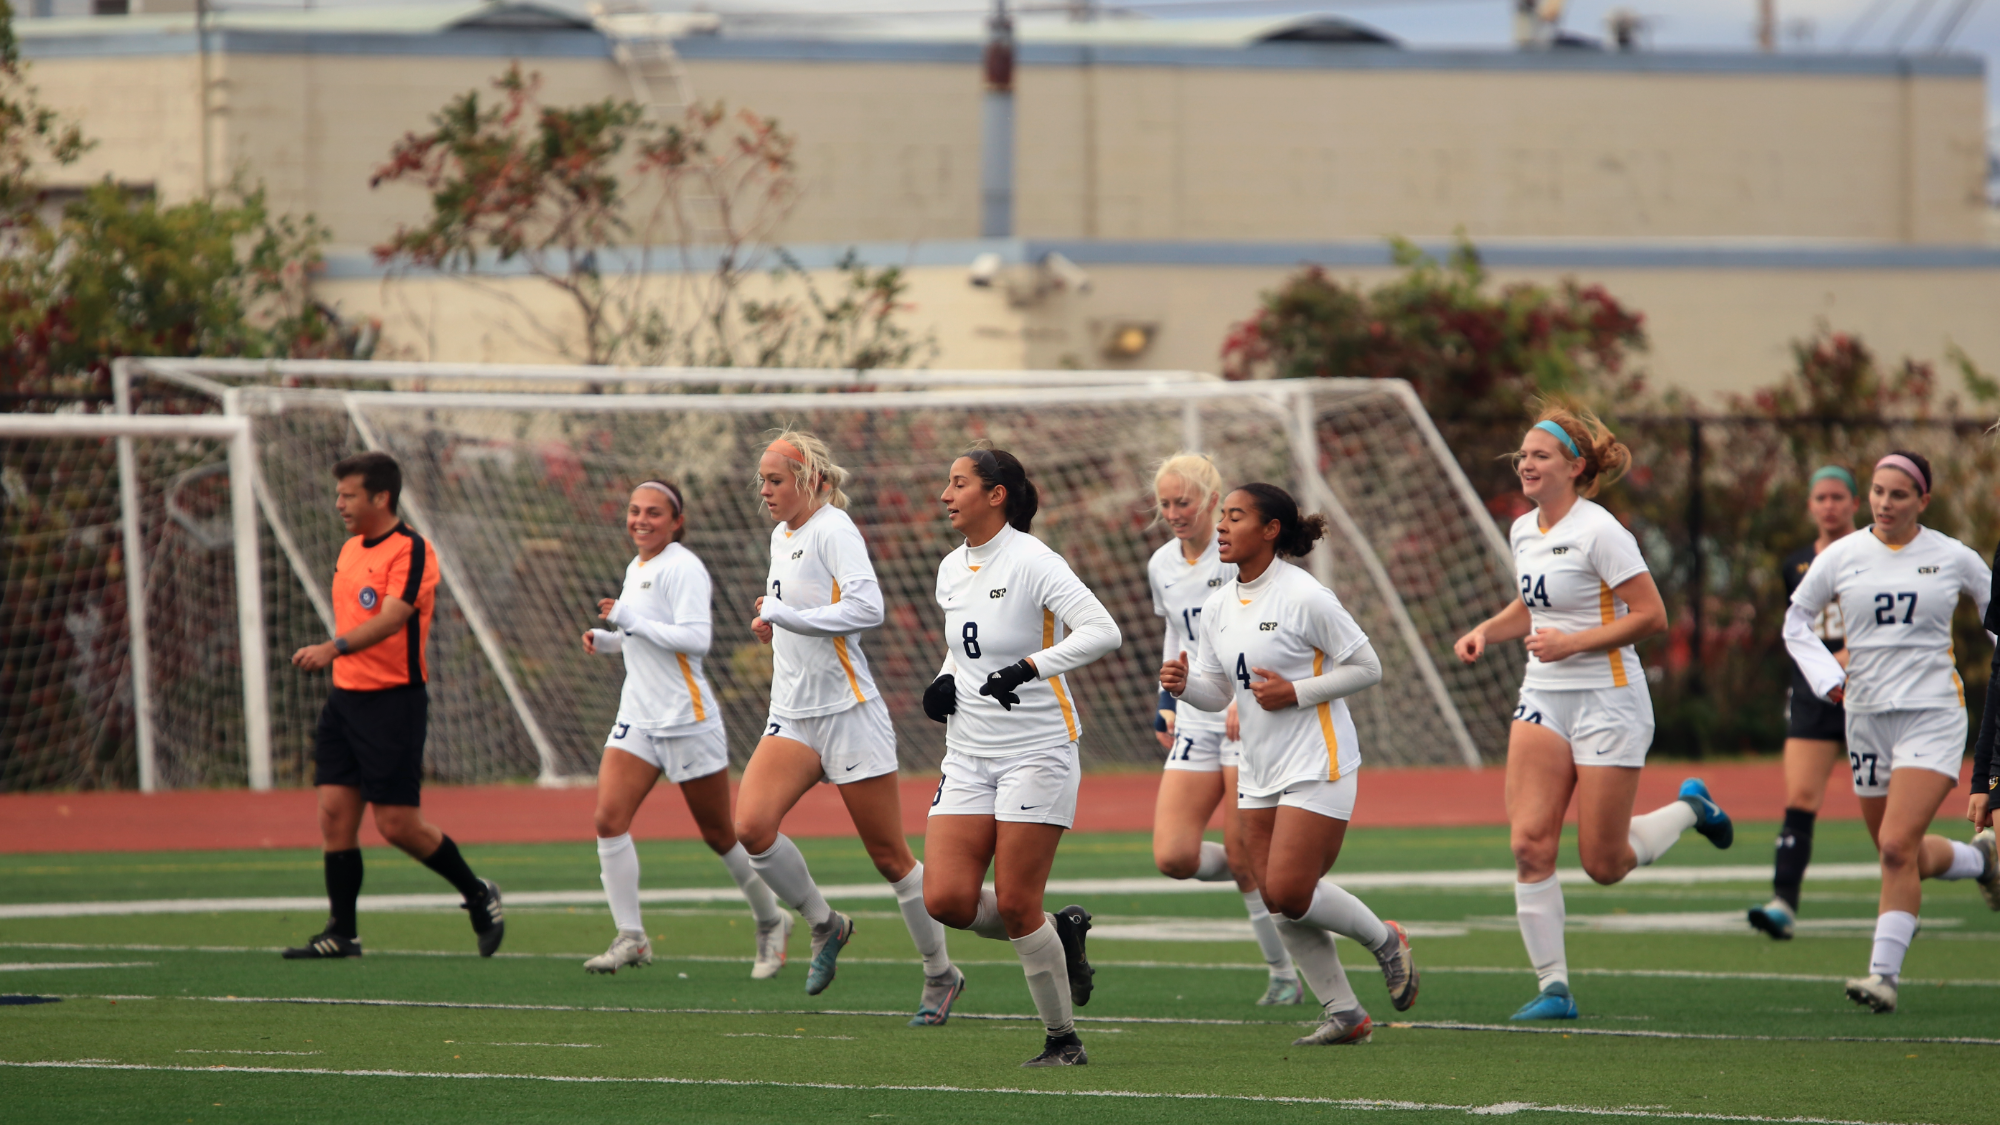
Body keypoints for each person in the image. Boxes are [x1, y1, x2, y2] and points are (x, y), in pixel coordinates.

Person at [1453, 401, 1734, 1021]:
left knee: (1604, 864)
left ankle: (1692, 807)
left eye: (1540, 455)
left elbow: (1652, 616)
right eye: (1522, 455)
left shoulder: (1601, 529)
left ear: (1575, 466)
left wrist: (1572, 642)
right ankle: (1554, 987)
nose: (1525, 464)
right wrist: (1487, 630)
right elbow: (1535, 605)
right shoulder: (1525, 529)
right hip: (1544, 697)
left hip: (1610, 699)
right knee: (1529, 845)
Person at [1160, 483, 1413, 1049]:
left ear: (1271, 530)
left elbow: (1367, 666)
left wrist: (1297, 692)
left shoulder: (1305, 595)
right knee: (1276, 898)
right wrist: (1184, 688)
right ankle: (1345, 1014)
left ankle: (1385, 940)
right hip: (1258, 767)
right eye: (1221, 516)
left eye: (1235, 517)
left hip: (1317, 760)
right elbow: (1217, 691)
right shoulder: (1220, 603)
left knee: (1292, 892)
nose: (1221, 527)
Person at [734, 431, 963, 1025]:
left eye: (775, 480)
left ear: (808, 479)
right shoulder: (781, 536)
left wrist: (789, 615)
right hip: (792, 713)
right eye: (762, 480)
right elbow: (802, 611)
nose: (765, 490)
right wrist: (774, 620)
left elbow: (867, 609)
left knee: (890, 857)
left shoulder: (835, 529)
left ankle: (941, 975)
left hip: (848, 712)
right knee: (752, 828)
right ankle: (825, 924)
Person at [920, 446, 1121, 1068]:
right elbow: (966, 648)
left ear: (996, 493)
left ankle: (1063, 1040)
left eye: (958, 483)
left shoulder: (1034, 560)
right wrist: (943, 677)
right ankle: (1059, 933)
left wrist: (1032, 667)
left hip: (1037, 751)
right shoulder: (952, 568)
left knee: (1014, 903)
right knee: (946, 901)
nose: (946, 495)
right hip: (967, 751)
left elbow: (1102, 630)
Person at [1784, 451, 2000, 1014]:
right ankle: (1981, 861)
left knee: (1896, 847)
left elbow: (1996, 618)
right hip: (1866, 720)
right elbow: (1795, 622)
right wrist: (1829, 676)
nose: (1884, 502)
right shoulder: (1843, 554)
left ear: (1923, 501)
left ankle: (1884, 976)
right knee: (1893, 850)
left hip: (1932, 714)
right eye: (1878, 491)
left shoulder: (1953, 556)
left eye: (1898, 494)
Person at [283, 451, 502, 960]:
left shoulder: (412, 550)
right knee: (335, 815)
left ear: (381, 497)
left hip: (392, 704)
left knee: (396, 825)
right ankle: (342, 932)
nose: (339, 503)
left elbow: (393, 617)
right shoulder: (349, 549)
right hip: (345, 701)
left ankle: (476, 893)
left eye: (348, 495)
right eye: (338, 494)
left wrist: (332, 648)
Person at [579, 479, 789, 976]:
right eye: (634, 511)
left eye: (654, 512)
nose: (641, 520)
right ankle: (631, 936)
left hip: (684, 718)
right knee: (608, 820)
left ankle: (770, 919)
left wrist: (627, 615)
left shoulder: (683, 566)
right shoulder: (638, 566)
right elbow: (643, 638)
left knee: (720, 833)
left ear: (676, 521)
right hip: (638, 717)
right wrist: (608, 640)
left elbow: (696, 640)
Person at [1145, 453, 1300, 1006]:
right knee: (1173, 856)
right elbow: (1175, 633)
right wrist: (1167, 697)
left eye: (1182, 501)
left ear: (1212, 501)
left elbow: (1260, 628)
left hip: (1241, 716)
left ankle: (1284, 971)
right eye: (1164, 503)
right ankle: (1254, 871)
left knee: (1246, 856)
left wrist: (1242, 694)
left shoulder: (1237, 553)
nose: (1172, 512)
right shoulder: (1162, 563)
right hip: (1194, 715)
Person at [1748, 466, 1861, 940]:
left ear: (1855, 503)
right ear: (1811, 506)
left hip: (1870, 691)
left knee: (1887, 808)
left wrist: (1850, 655)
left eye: (1838, 497)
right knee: (1799, 798)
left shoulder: (1871, 555)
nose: (1829, 505)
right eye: (1821, 498)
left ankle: (1904, 904)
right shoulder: (1796, 564)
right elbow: (1794, 628)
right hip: (1815, 695)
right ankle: (1783, 903)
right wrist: (1820, 665)